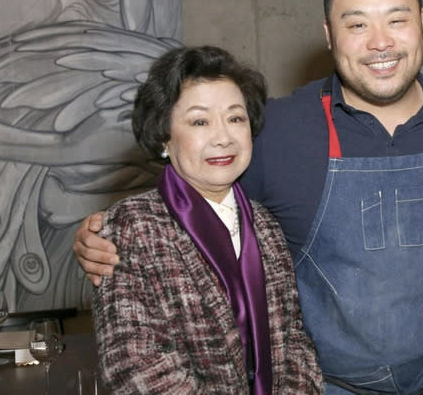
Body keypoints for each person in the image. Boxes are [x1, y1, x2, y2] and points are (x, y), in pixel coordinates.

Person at [75, 0, 423, 394]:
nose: (381, 43)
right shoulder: (280, 130)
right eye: (357, 25)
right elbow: (194, 206)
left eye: (397, 19)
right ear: (329, 35)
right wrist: (102, 236)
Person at [91, 46, 323, 394]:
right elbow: (135, 366)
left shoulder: (266, 227)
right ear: (164, 137)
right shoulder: (131, 227)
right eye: (200, 121)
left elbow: (294, 345)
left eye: (235, 118)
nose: (223, 137)